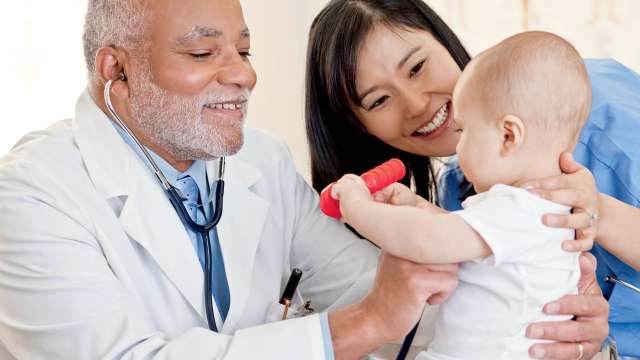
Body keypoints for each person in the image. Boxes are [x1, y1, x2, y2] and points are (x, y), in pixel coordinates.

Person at [0, 0, 461, 359]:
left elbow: (383, 294)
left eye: (243, 50)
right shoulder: (33, 195)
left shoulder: (262, 161)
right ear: (116, 70)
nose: (245, 74)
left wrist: (521, 303)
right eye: (202, 53)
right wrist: (368, 322)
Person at [306, 0, 616, 359]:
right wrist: (421, 208)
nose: (416, 104)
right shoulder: (493, 195)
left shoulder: (524, 204)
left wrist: (355, 204)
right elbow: (467, 239)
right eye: (379, 100)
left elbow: (428, 241)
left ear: (509, 136)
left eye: (417, 67)